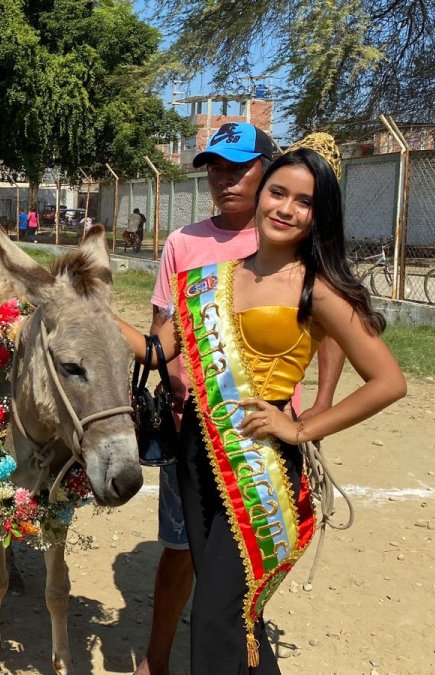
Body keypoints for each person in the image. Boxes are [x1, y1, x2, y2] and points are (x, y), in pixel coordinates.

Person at [119, 134, 406, 674]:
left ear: (319, 216)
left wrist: (302, 428)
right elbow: (158, 352)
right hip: (197, 453)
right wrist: (85, 307)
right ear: (263, 196)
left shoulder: (318, 289)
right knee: (238, 612)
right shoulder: (211, 279)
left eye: (305, 202)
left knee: (214, 615)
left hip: (261, 461)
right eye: (280, 193)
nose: (287, 209)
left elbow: (388, 381)